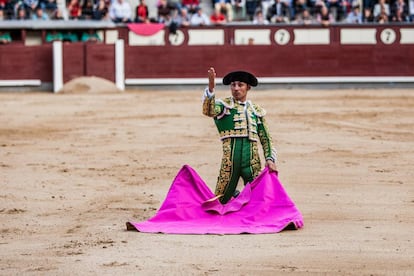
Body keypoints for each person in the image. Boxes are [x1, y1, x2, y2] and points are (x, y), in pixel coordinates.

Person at [202, 67, 278, 204]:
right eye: (233, 85)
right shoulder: (223, 105)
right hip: (230, 162)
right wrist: (211, 90)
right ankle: (235, 198)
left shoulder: (256, 111)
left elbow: (266, 138)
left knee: (261, 200)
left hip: (252, 162)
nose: (236, 88)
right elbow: (209, 110)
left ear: (248, 87)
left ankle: (238, 199)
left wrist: (270, 158)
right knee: (219, 201)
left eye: (240, 85)